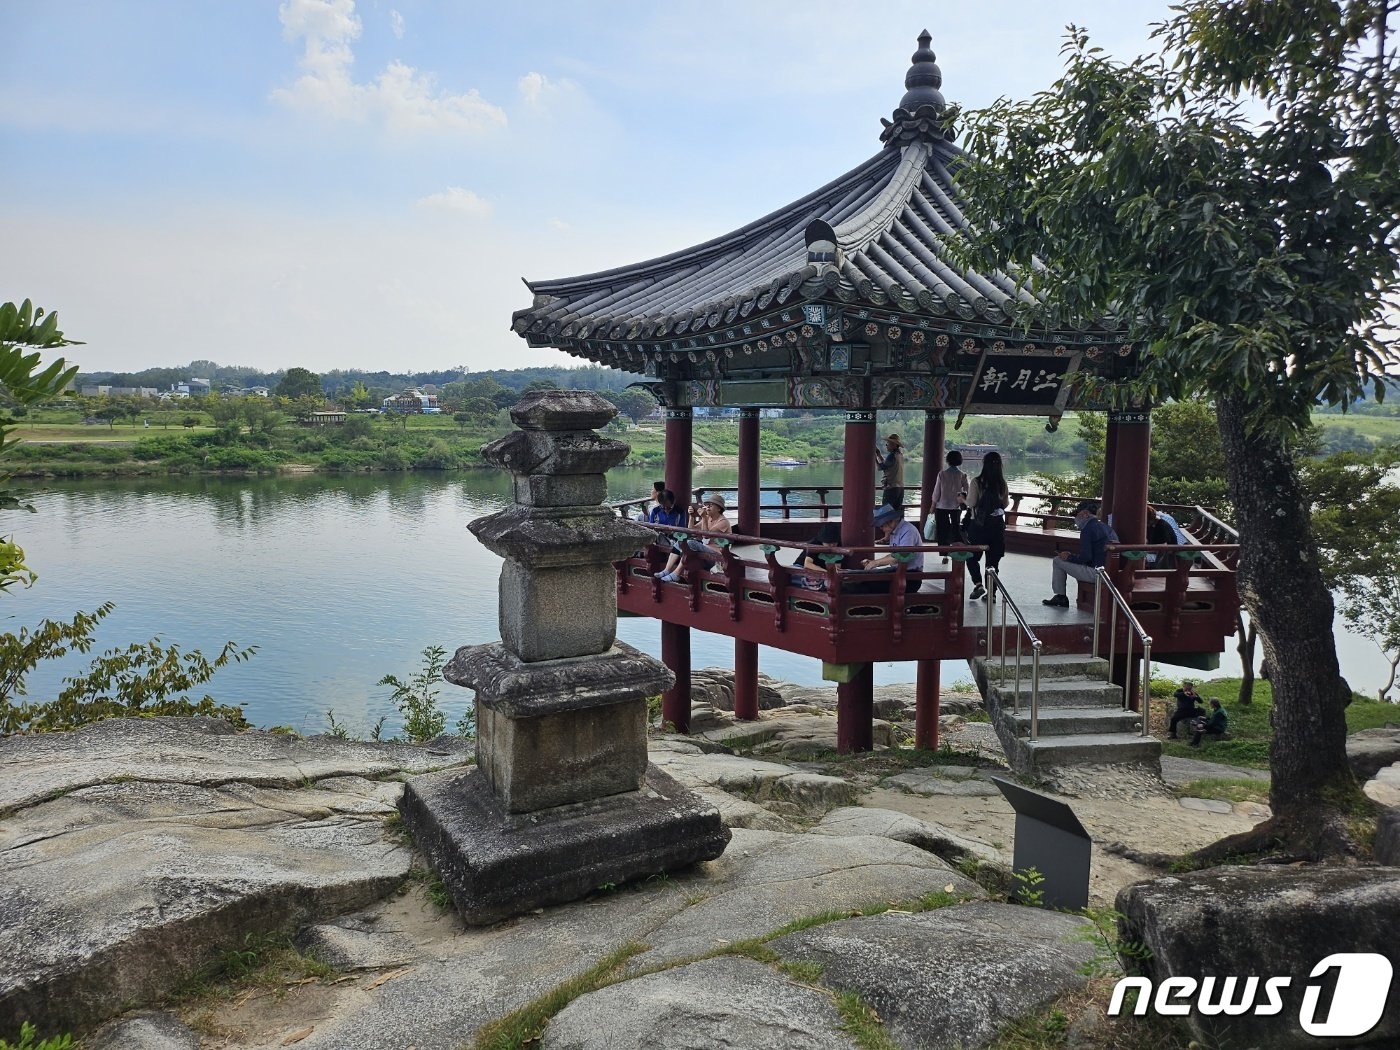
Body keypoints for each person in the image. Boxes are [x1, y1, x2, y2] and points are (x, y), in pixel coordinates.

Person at [1043, 499, 1111, 607]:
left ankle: (1060, 596)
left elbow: (1086, 557)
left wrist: (1069, 557)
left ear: (1085, 514)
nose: (1076, 518)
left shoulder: (1087, 529)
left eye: (1077, 514)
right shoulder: (1105, 527)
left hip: (1097, 573)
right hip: (1110, 572)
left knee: (1057, 561)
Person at [961, 451, 1009, 602]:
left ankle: (978, 584)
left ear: (984, 464)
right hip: (996, 528)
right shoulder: (1002, 483)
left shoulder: (977, 482)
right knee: (993, 562)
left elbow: (971, 503)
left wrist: (962, 499)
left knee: (971, 556)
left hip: (978, 527)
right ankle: (992, 594)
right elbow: (1005, 504)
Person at [655, 493, 732, 582]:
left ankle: (676, 573)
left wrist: (703, 518)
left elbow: (706, 535)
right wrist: (691, 516)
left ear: (719, 508)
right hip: (706, 549)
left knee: (690, 543)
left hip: (717, 555)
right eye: (707, 505)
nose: (707, 507)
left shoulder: (723, 522)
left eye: (711, 505)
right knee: (679, 542)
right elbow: (691, 530)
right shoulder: (708, 518)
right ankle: (666, 570)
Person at [855, 503, 923, 594]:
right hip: (898, 573)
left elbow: (901, 556)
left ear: (891, 521)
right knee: (862, 578)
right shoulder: (895, 531)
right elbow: (894, 555)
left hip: (910, 578)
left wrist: (876, 563)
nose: (881, 528)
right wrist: (873, 562)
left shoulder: (908, 531)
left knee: (867, 583)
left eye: (882, 525)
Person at [925, 449, 969, 559]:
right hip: (956, 506)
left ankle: (944, 554)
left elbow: (936, 492)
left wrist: (932, 506)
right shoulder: (962, 475)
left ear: (948, 460)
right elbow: (967, 490)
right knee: (955, 528)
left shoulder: (942, 474)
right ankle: (958, 550)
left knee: (942, 530)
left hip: (941, 506)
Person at [792, 522, 843, 590]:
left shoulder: (839, 545)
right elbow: (807, 564)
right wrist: (826, 573)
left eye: (834, 543)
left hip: (821, 572)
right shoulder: (814, 544)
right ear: (822, 540)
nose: (832, 545)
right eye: (828, 543)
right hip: (802, 567)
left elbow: (838, 565)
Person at [875, 433, 905, 509]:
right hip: (900, 488)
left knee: (886, 513)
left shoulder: (892, 456)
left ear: (894, 445)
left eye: (888, 443)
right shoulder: (899, 455)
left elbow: (880, 467)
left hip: (892, 488)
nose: (886, 445)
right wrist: (879, 455)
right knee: (895, 514)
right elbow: (887, 465)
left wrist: (874, 457)